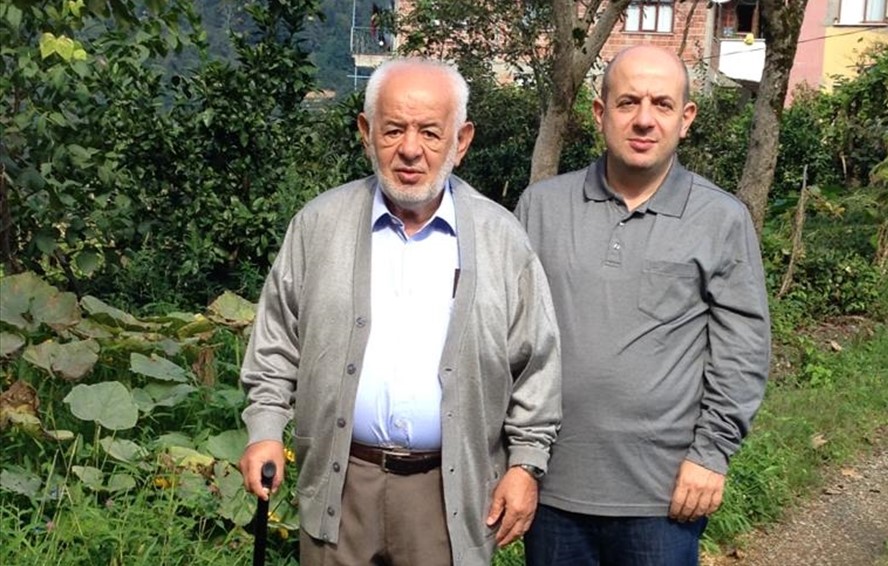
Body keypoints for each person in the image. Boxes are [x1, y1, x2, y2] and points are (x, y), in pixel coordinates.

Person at [238, 58, 561, 566]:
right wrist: (265, 431)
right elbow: (276, 343)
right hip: (339, 488)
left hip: (450, 496)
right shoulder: (318, 226)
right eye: (393, 130)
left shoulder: (500, 239)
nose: (410, 149)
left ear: (461, 140)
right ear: (366, 133)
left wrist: (525, 464)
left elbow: (537, 363)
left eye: (430, 132)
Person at [516, 45, 771, 565]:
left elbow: (742, 351)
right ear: (600, 112)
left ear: (686, 119)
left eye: (662, 104)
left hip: (664, 496)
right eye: (628, 102)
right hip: (549, 486)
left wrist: (711, 455)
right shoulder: (541, 208)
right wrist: (515, 459)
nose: (644, 120)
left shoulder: (720, 219)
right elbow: (509, 339)